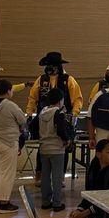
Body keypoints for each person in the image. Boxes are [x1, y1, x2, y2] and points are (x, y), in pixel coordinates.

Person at [26, 51, 83, 184]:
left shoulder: (69, 79)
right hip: (44, 118)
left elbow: (77, 99)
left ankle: (60, 177)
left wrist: (74, 114)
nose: (49, 68)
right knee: (43, 147)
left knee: (63, 147)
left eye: (52, 65)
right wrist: (29, 114)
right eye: (48, 65)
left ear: (58, 66)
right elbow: (32, 98)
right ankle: (40, 177)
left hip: (63, 118)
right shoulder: (41, 80)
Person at [0, 79, 28, 214]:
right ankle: (4, 203)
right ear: (8, 91)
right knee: (6, 174)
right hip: (7, 142)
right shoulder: (9, 105)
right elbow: (23, 120)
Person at [38, 88, 72, 211]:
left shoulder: (42, 112)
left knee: (45, 176)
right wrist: (67, 139)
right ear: (60, 100)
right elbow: (61, 130)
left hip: (44, 148)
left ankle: (45, 202)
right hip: (57, 149)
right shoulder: (58, 113)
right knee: (57, 177)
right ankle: (57, 203)